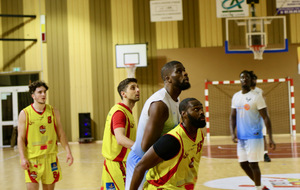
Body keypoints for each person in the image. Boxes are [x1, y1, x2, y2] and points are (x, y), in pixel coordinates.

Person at [125, 60, 190, 190]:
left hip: (156, 162)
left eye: (184, 70)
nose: (185, 73)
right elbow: (145, 146)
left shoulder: (176, 100)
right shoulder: (160, 105)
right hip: (142, 163)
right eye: (179, 71)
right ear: (168, 79)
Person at [129, 98, 206, 190]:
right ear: (184, 114)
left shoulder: (199, 135)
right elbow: (140, 167)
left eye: (201, 109)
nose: (201, 112)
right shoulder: (172, 140)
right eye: (196, 109)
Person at [18, 81, 73, 190]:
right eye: (40, 92)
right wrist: (23, 157)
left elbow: (61, 134)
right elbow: (20, 138)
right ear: (33, 95)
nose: (43, 94)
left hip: (50, 159)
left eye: (44, 92)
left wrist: (68, 151)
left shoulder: (53, 111)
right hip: (33, 160)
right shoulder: (25, 113)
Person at [230, 70, 276, 190]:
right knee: (243, 164)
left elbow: (266, 117)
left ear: (251, 80)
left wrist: (270, 137)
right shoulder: (236, 96)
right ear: (239, 80)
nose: (244, 79)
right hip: (241, 137)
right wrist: (232, 132)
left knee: (253, 164)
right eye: (242, 77)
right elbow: (233, 116)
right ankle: (260, 186)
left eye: (247, 77)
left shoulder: (257, 97)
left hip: (254, 136)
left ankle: (258, 187)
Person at [101, 78, 140, 190]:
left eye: (137, 87)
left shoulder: (126, 111)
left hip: (120, 164)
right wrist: (141, 150)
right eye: (133, 88)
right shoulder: (120, 113)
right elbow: (120, 139)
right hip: (117, 166)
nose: (137, 90)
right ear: (124, 94)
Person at [249, 71, 271, 162]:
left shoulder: (260, 91)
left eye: (255, 79)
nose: (254, 81)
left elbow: (264, 105)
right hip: (250, 118)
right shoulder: (246, 92)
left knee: (263, 136)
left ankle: (265, 154)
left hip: (260, 117)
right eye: (252, 79)